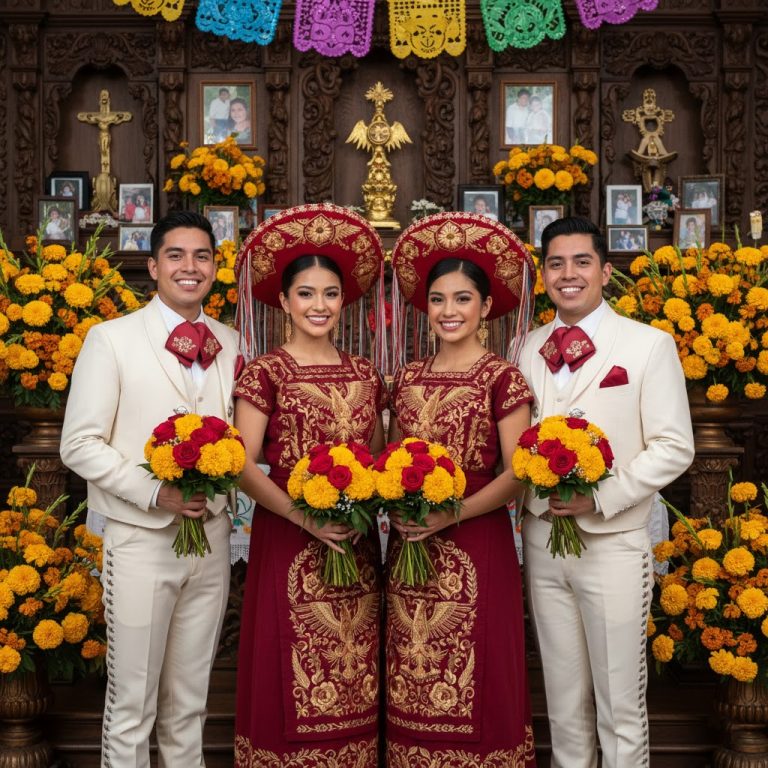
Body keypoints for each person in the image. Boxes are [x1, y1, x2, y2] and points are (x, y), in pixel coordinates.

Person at [60, 211, 240, 768]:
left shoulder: (231, 342)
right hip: (140, 539)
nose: (190, 267)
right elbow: (80, 443)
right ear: (153, 266)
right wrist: (154, 491)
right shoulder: (110, 339)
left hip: (210, 542)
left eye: (202, 256)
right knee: (132, 703)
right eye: (177, 256)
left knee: (189, 706)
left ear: (215, 267)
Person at [517, 216, 695, 768]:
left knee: (619, 705)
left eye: (581, 262)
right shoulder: (526, 346)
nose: (568, 274)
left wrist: (601, 496)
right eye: (555, 263)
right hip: (543, 541)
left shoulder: (648, 345)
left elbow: (673, 446)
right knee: (564, 706)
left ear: (604, 271)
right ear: (543, 274)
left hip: (613, 542)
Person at [232, 204, 387, 766]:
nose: (318, 305)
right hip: (290, 537)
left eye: (329, 294)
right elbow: (243, 464)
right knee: (292, 665)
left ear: (343, 301)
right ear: (284, 301)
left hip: (355, 541)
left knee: (353, 671)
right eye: (306, 293)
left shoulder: (366, 372)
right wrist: (304, 518)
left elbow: (375, 457)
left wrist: (354, 510)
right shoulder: (264, 372)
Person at [387, 212, 537, 766]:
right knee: (414, 675)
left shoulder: (503, 377)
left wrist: (452, 515)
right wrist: (402, 507)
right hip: (410, 549)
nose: (449, 312)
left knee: (477, 671)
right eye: (438, 300)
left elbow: (519, 472)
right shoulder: (405, 377)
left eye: (462, 299)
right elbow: (393, 459)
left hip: (477, 542)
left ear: (486, 307)